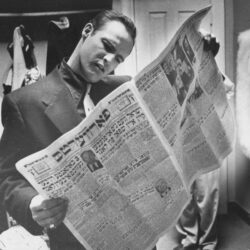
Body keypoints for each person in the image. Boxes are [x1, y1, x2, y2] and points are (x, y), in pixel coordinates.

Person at [0, 10, 136, 250]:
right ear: (87, 31)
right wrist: (32, 203)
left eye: (118, 58)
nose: (109, 61)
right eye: (107, 45)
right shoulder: (24, 102)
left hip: (136, 231)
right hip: (76, 240)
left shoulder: (124, 88)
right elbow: (7, 178)